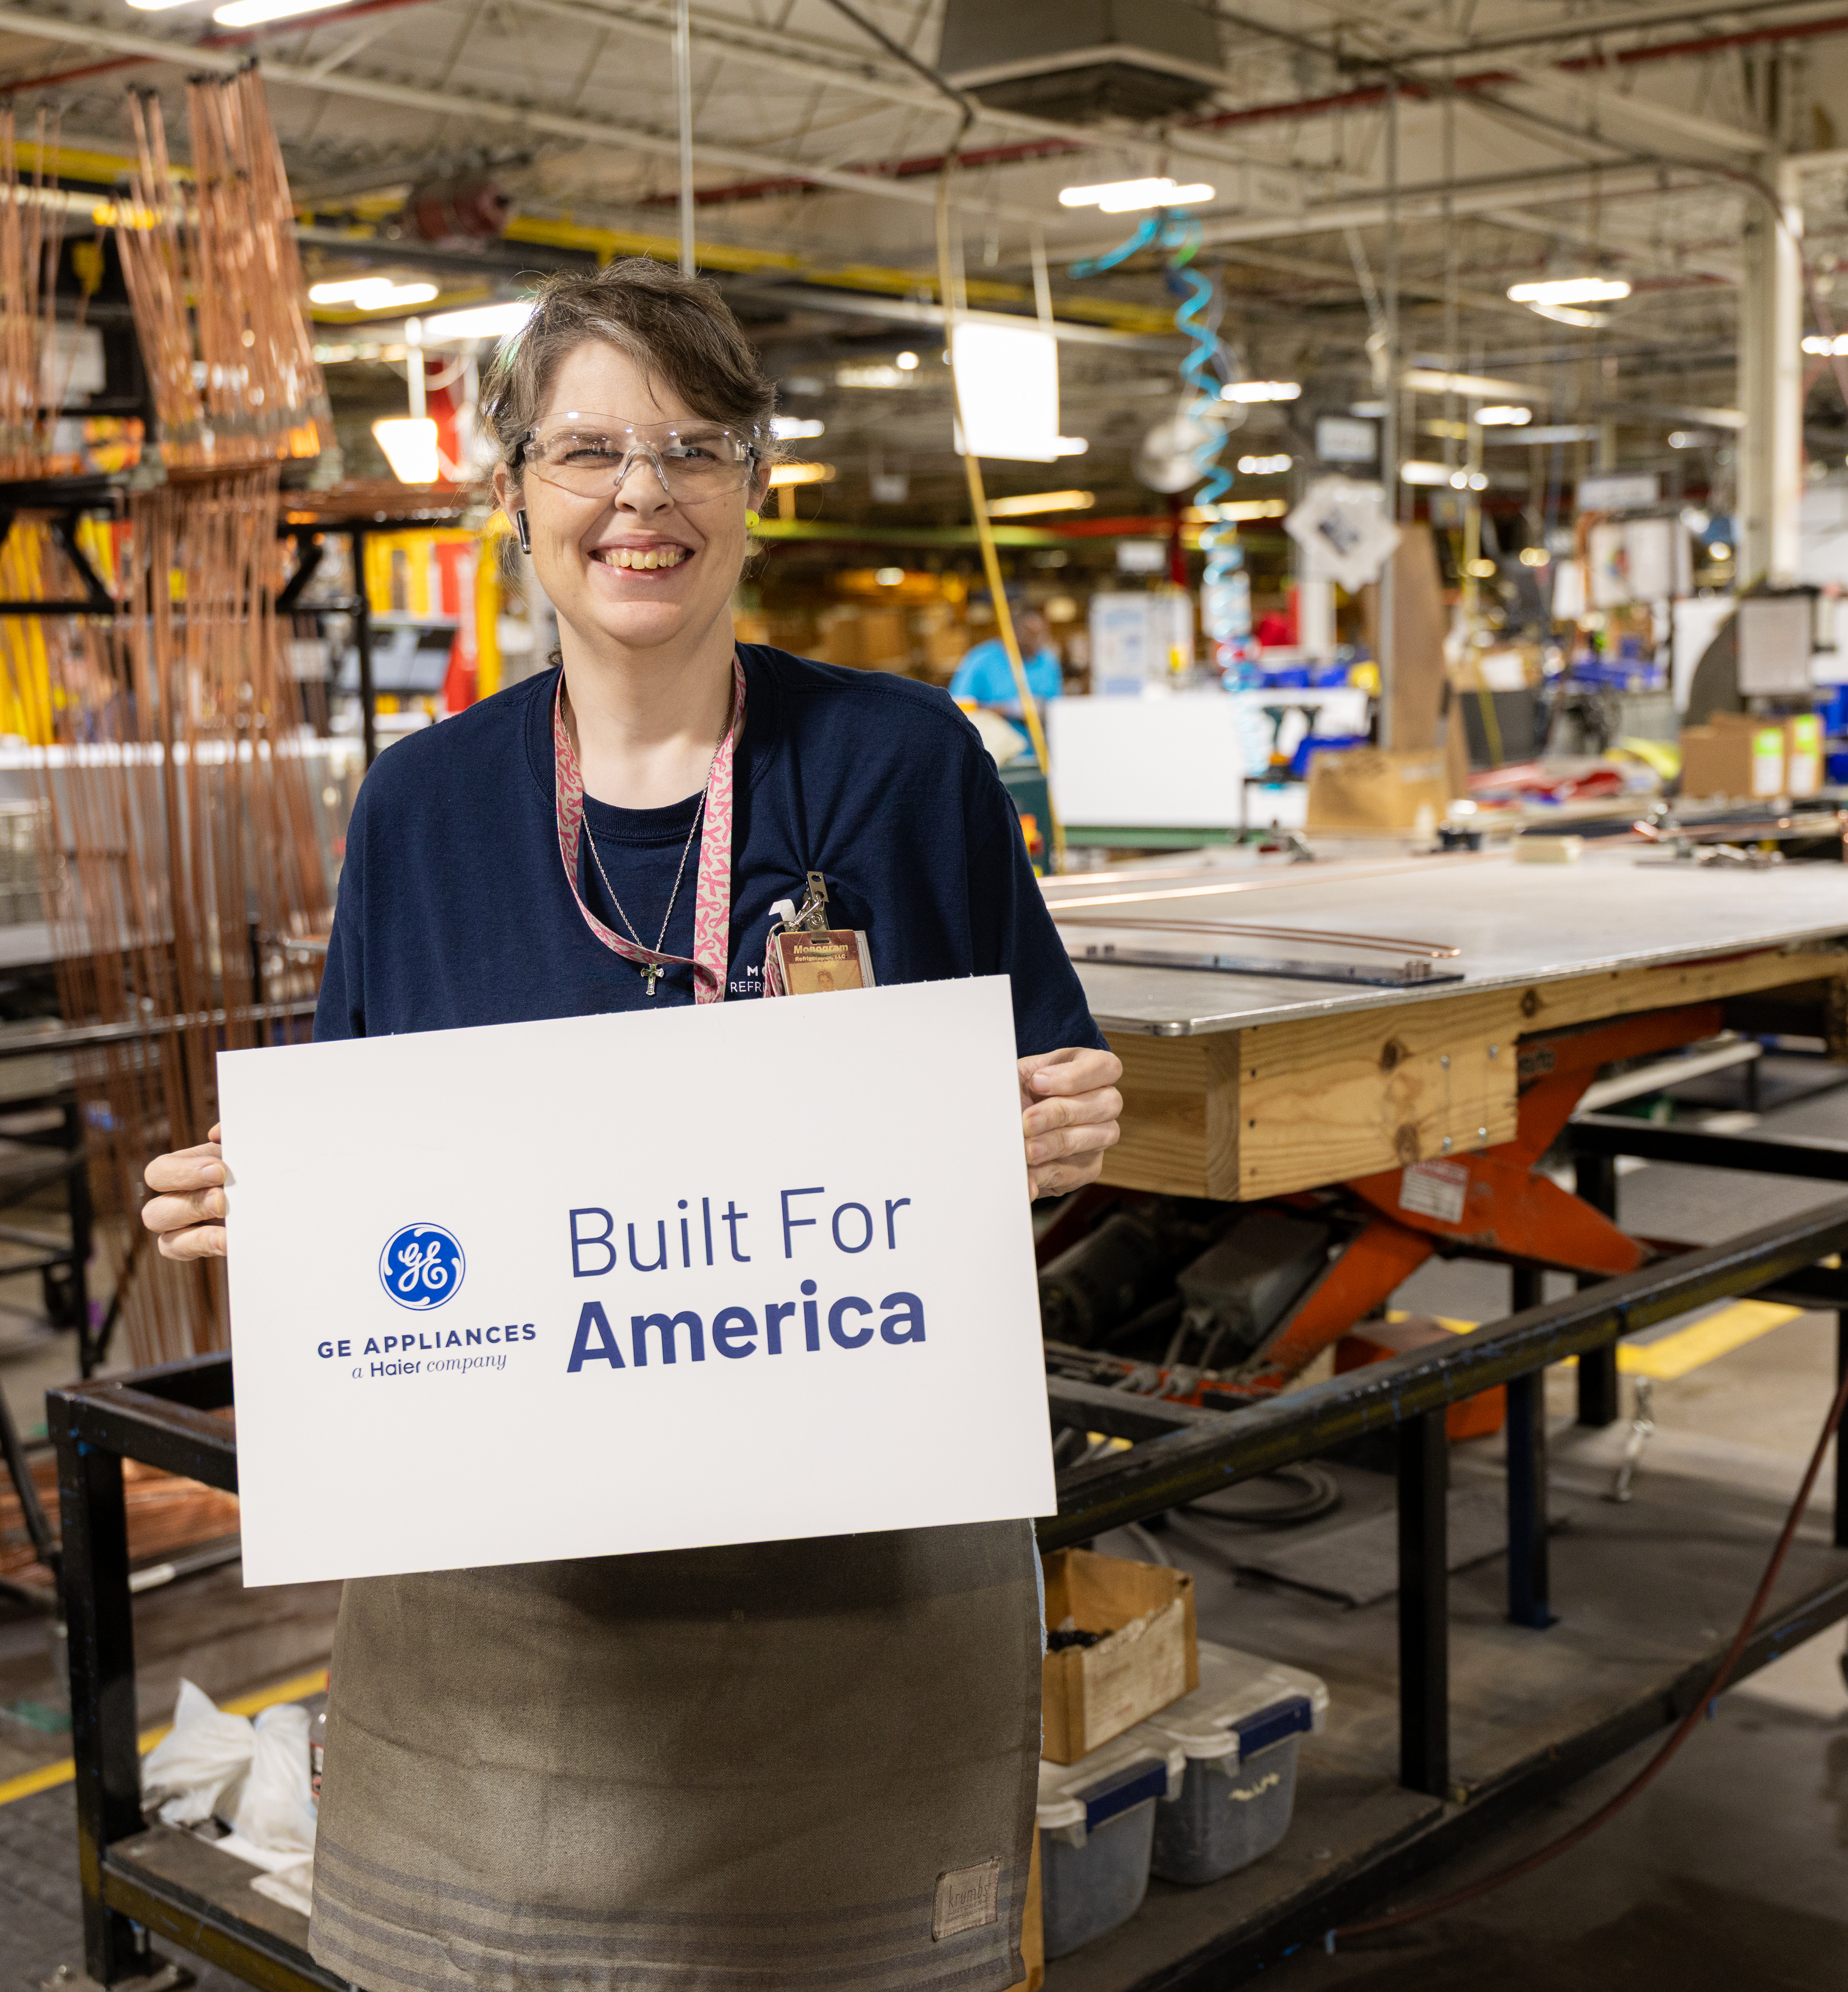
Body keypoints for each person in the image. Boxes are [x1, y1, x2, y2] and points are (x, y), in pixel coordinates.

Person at [136, 259, 1123, 1992]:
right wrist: (262, 1214)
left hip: (856, 1584)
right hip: (518, 1622)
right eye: (588, 451)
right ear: (511, 492)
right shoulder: (426, 807)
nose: (641, 497)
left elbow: (1027, 1098)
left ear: (756, 480)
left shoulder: (906, 768)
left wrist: (1065, 1122)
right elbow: (370, 1174)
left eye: (692, 445)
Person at [947, 606, 1061, 720]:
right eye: (1030, 635)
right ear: (1012, 632)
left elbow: (1058, 705)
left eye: (1040, 636)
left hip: (1037, 737)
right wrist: (1007, 710)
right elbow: (958, 706)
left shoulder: (1047, 662)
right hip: (993, 736)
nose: (1036, 643)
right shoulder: (982, 661)